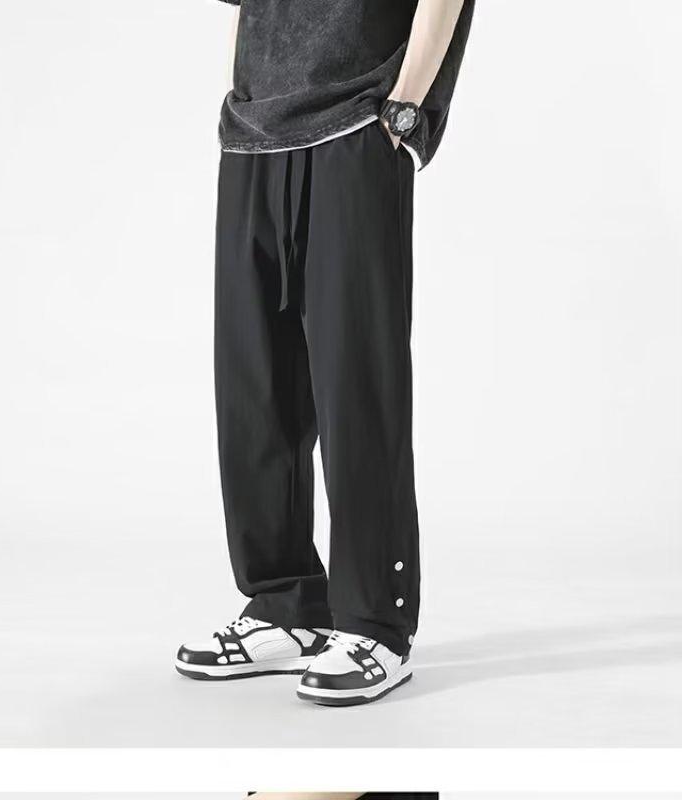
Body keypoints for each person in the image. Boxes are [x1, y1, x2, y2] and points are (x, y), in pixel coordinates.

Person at [176, 0, 474, 706]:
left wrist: (405, 110)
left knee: (355, 383)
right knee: (254, 388)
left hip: (356, 124)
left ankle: (376, 624)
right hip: (254, 134)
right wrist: (245, 100)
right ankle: (286, 604)